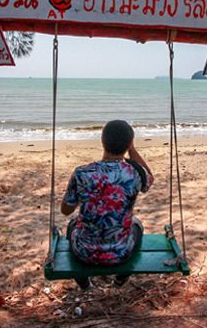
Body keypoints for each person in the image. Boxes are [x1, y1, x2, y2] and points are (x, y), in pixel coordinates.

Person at [61, 120, 153, 289]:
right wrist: (132, 150)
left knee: (72, 224)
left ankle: (84, 284)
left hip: (84, 252)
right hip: (121, 252)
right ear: (129, 144)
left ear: (102, 142)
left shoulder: (82, 173)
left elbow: (66, 210)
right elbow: (149, 179)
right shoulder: (134, 173)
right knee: (137, 225)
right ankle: (119, 280)